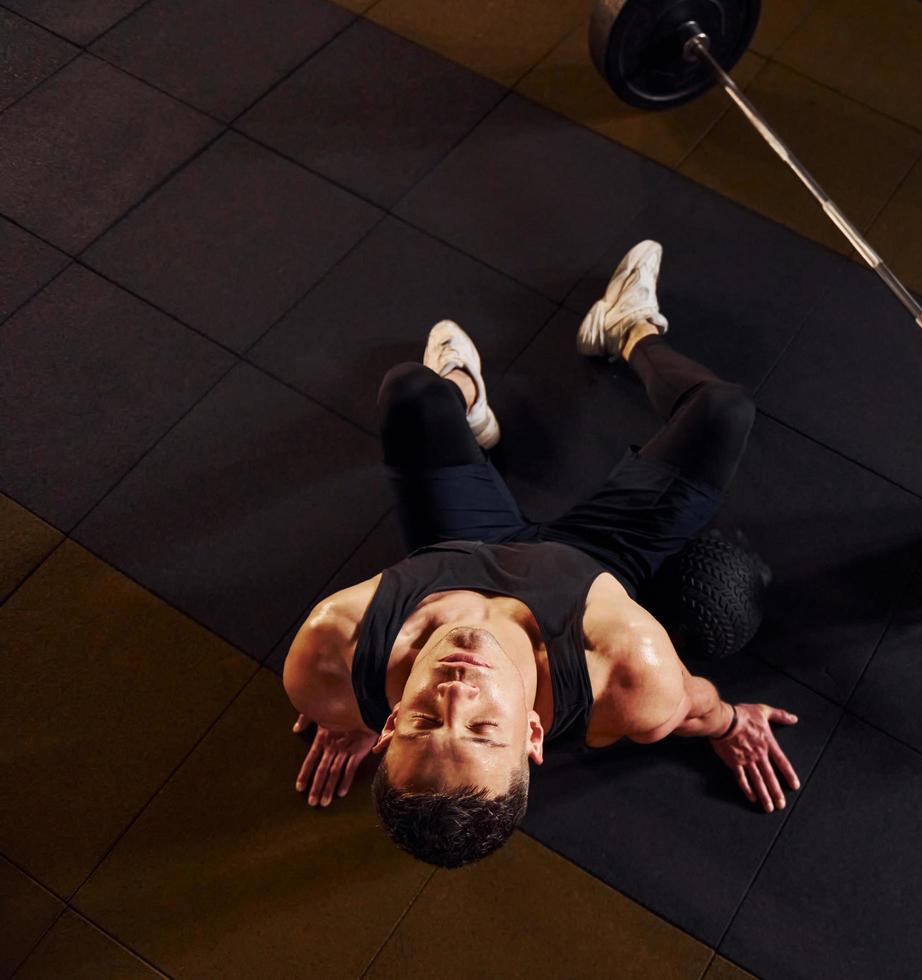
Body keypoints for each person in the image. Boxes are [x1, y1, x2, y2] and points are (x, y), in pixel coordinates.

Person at [281, 241, 800, 869]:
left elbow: (351, 695)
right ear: (531, 733)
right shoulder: (626, 671)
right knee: (723, 409)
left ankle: (467, 398)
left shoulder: (332, 650)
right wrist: (729, 724)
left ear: (390, 725)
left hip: (461, 541)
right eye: (481, 729)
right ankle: (625, 325)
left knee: (411, 392)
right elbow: (692, 702)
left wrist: (348, 709)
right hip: (602, 557)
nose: (456, 692)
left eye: (421, 723)